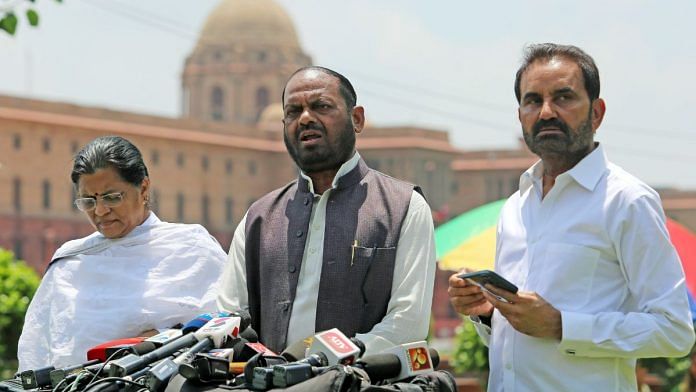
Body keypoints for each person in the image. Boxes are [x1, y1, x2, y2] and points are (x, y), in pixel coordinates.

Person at [448, 43, 695, 391]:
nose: (546, 112)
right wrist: (487, 313)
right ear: (520, 115)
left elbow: (675, 332)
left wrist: (563, 326)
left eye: (563, 97)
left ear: (596, 113)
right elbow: (518, 345)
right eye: (532, 100)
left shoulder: (626, 201)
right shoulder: (515, 208)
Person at [217, 66, 436, 354]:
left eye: (321, 106)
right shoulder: (258, 219)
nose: (306, 118)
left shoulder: (404, 207)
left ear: (356, 119)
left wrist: (321, 364)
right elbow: (229, 319)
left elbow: (407, 325)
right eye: (294, 112)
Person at [18, 136, 227, 371]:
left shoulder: (191, 248)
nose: (100, 210)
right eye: (88, 201)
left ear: (144, 188)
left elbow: (225, 326)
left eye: (111, 197)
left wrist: (159, 340)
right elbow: (36, 352)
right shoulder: (70, 262)